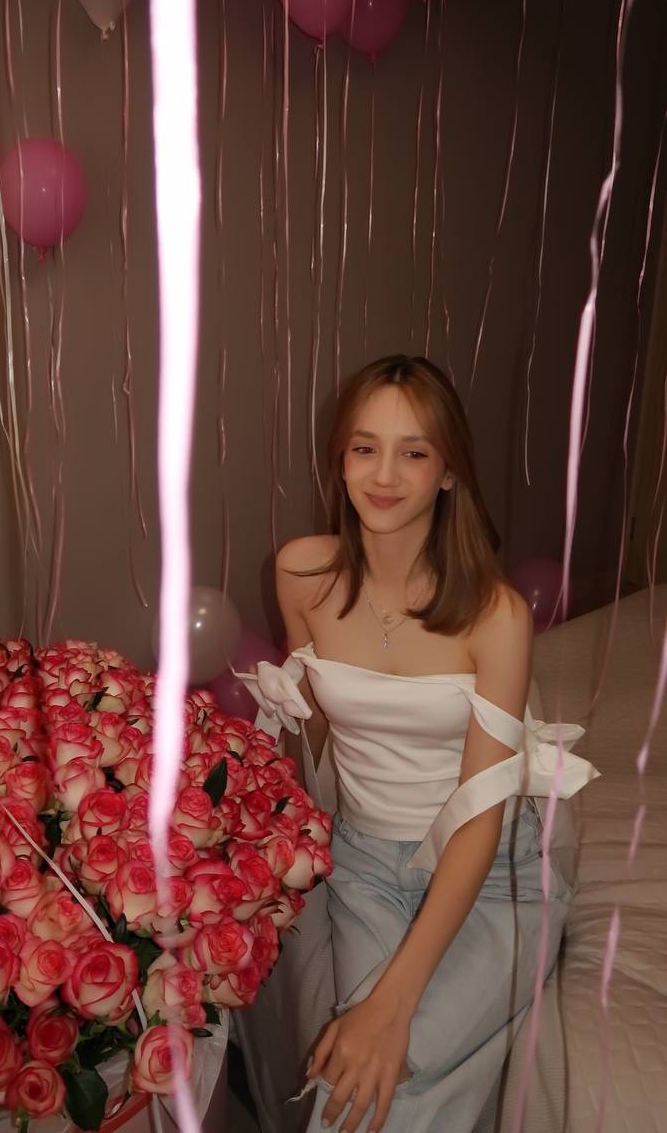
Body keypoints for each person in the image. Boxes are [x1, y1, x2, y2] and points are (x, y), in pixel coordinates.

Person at [240, 355, 598, 1133]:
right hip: (365, 866)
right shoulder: (301, 573)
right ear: (339, 459)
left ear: (448, 471)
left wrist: (390, 1005)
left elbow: (477, 818)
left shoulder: (495, 616)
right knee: (349, 1082)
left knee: (386, 1079)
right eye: (364, 448)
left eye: (413, 452)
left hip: (492, 875)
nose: (383, 475)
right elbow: (319, 729)